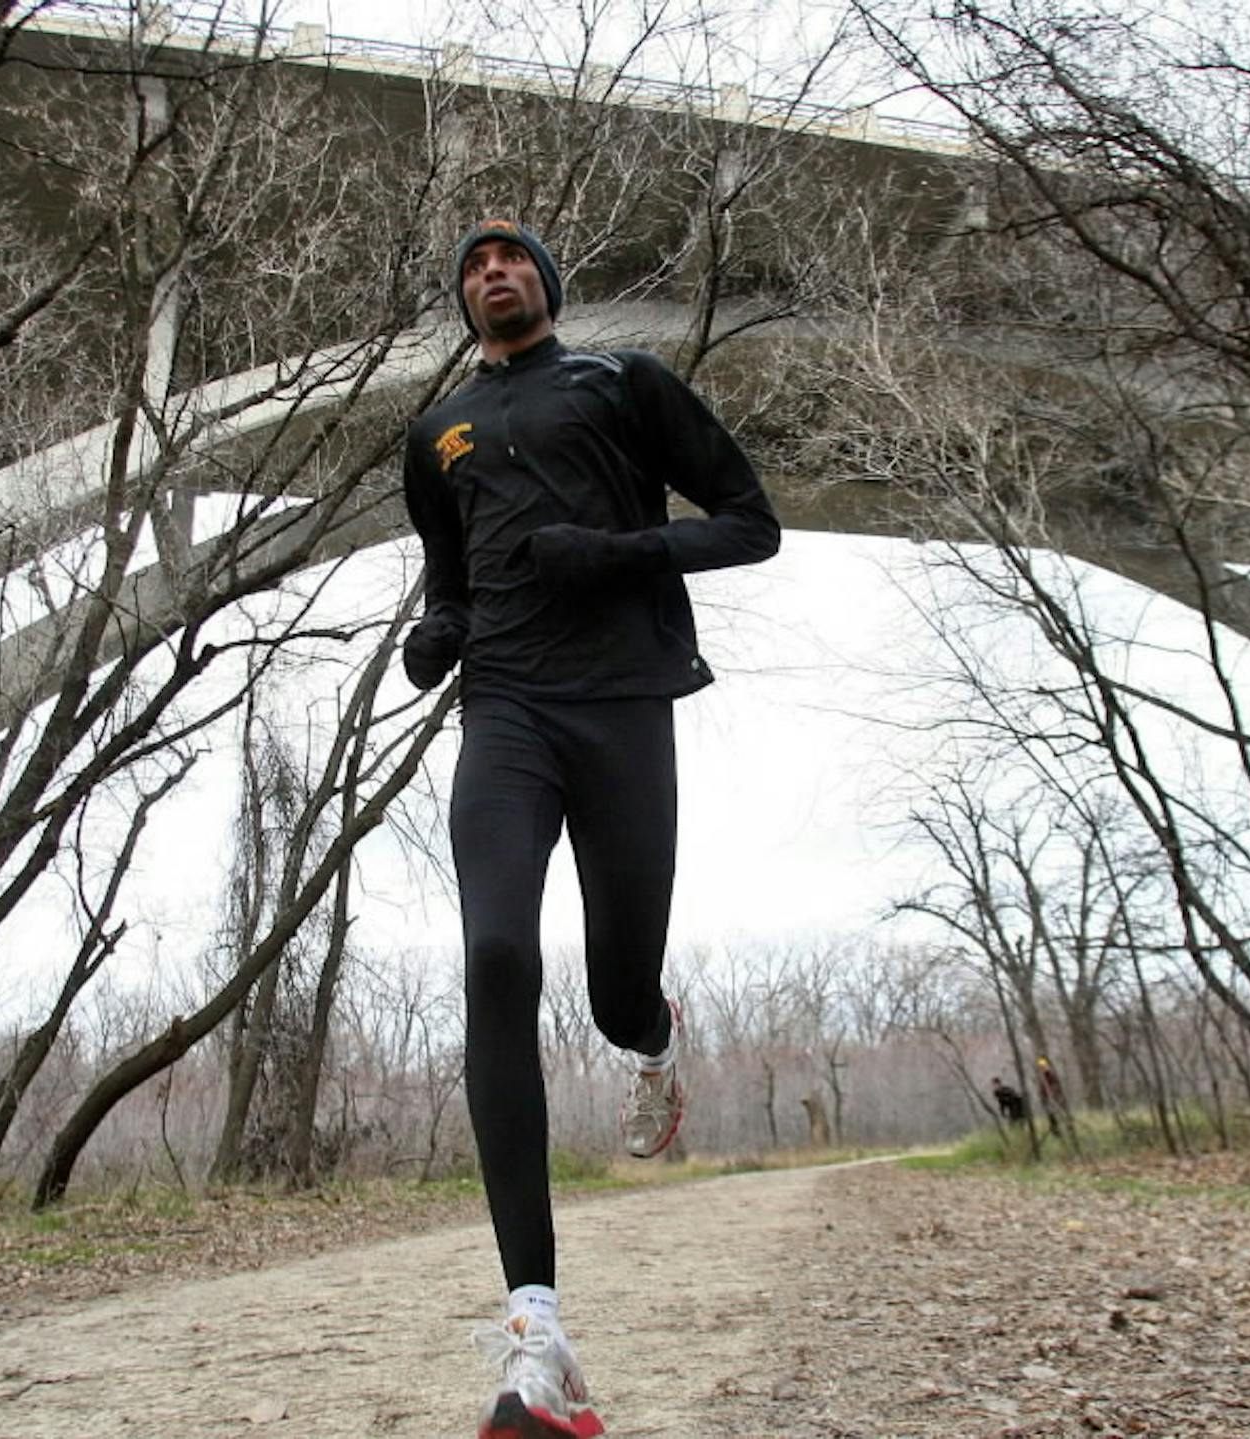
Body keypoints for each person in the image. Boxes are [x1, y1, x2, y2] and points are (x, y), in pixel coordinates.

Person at [400, 219, 781, 1439]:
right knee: (497, 958)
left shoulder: (625, 381)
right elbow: (448, 576)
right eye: (471, 266)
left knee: (617, 985)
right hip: (503, 711)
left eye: (510, 258)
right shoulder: (436, 430)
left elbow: (749, 519)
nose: (490, 273)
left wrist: (610, 554)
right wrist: (439, 633)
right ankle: (537, 1335)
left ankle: (653, 1038)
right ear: (463, 300)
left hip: (622, 707)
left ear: (547, 284)